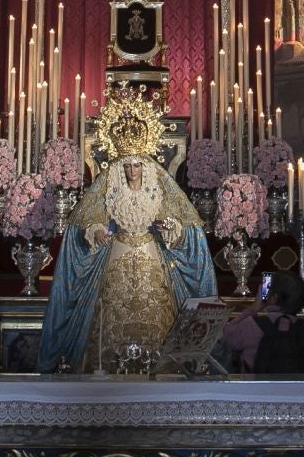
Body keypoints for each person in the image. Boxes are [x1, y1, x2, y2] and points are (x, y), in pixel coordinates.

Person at [40, 88, 216, 371]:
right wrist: (95, 231)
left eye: (137, 165)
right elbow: (88, 219)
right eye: (127, 165)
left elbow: (183, 224)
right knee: (111, 313)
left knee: (155, 310)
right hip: (117, 254)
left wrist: (172, 228)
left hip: (151, 257)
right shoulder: (109, 184)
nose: (132, 170)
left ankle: (161, 368)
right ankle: (107, 365)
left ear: (144, 165)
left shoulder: (158, 185)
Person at [222, 274, 304, 375]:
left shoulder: (252, 325)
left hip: (257, 388)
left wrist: (254, 308)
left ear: (274, 297)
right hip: (298, 388)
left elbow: (226, 336)